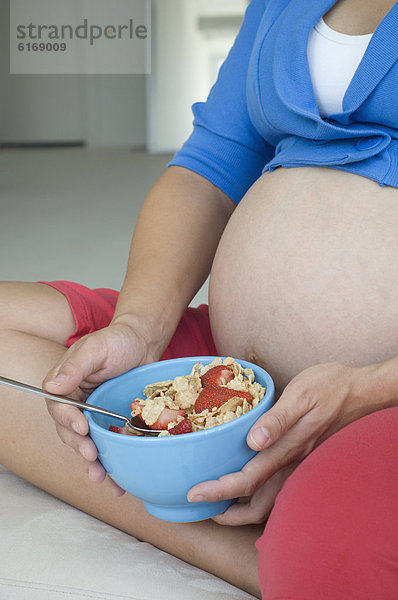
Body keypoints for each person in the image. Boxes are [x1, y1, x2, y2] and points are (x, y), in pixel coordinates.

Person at [1, 0, 397, 597]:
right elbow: (211, 166)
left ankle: (264, 546)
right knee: (24, 363)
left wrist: (369, 387)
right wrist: (138, 325)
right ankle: (229, 520)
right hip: (230, 368)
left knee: (329, 563)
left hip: (380, 391)